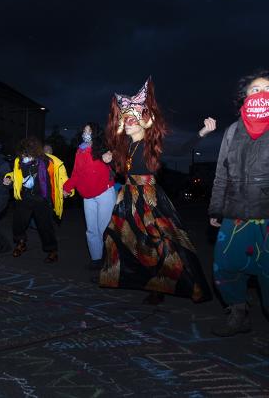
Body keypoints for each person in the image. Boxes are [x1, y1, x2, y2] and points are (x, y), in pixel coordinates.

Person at [100, 77, 216, 305]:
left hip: (150, 198)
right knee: (120, 238)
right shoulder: (124, 147)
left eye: (135, 118)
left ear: (145, 121)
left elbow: (181, 148)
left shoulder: (152, 144)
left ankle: (167, 286)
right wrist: (110, 157)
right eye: (127, 118)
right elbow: (121, 169)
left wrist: (202, 132)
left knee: (162, 243)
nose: (131, 121)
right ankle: (125, 276)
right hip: (128, 198)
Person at [209, 70, 269, 337]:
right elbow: (222, 173)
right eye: (255, 89)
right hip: (235, 213)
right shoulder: (233, 131)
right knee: (224, 267)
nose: (261, 93)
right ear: (244, 96)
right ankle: (238, 313)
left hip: (267, 215)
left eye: (267, 89)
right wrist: (216, 207)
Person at [3, 136, 70, 263]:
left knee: (45, 227)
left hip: (42, 198)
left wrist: (68, 189)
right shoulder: (19, 161)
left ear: (34, 152)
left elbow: (62, 177)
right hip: (25, 197)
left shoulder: (48, 162)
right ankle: (21, 243)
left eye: (26, 153)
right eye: (22, 153)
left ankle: (52, 251)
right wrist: (8, 177)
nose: (24, 156)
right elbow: (15, 174)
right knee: (18, 223)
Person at [63, 123, 115, 270]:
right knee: (91, 230)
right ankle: (96, 260)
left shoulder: (103, 148)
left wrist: (111, 158)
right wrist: (67, 188)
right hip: (87, 195)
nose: (86, 133)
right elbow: (76, 173)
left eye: (90, 131)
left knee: (104, 229)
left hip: (104, 193)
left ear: (96, 133)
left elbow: (118, 162)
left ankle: (110, 262)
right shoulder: (80, 150)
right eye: (84, 131)